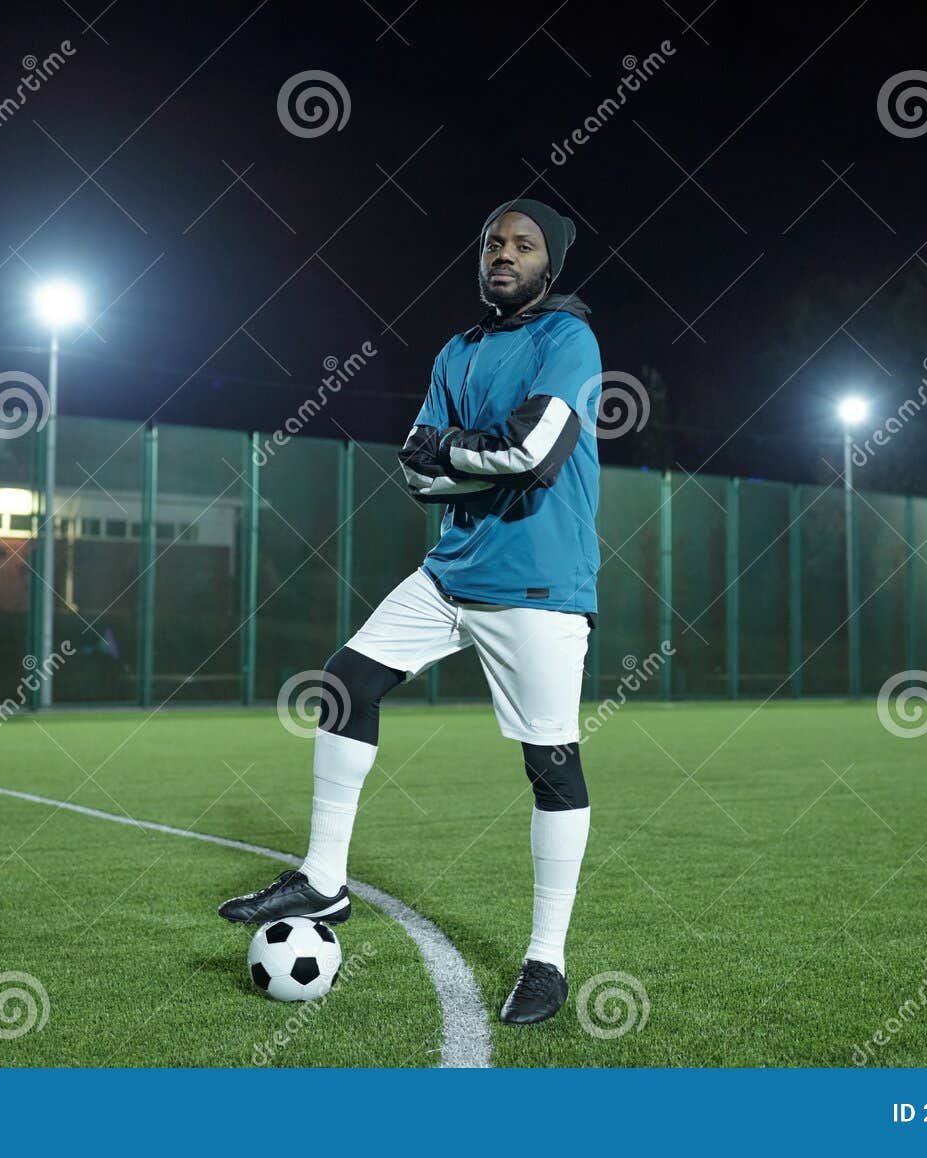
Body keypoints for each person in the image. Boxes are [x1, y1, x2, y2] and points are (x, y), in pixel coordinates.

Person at [220, 198, 600, 1025]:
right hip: (449, 572)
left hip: (538, 585)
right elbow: (416, 469)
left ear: (549, 263)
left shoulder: (568, 341)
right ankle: (324, 883)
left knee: (551, 766)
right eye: (493, 241)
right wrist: (473, 456)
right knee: (347, 684)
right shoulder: (456, 350)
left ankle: (548, 960)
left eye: (523, 245)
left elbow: (533, 455)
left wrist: (459, 453)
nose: (504, 253)